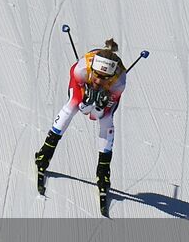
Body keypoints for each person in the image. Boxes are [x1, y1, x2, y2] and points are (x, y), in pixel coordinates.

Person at [35, 38, 127, 197]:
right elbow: (82, 108)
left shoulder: (119, 82)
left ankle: (103, 172)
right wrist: (85, 102)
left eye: (104, 77)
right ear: (93, 69)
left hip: (109, 92)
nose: (98, 81)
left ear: (111, 76)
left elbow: (95, 116)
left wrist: (99, 108)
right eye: (97, 75)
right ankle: (44, 154)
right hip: (82, 83)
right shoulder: (82, 69)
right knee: (73, 105)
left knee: (106, 120)